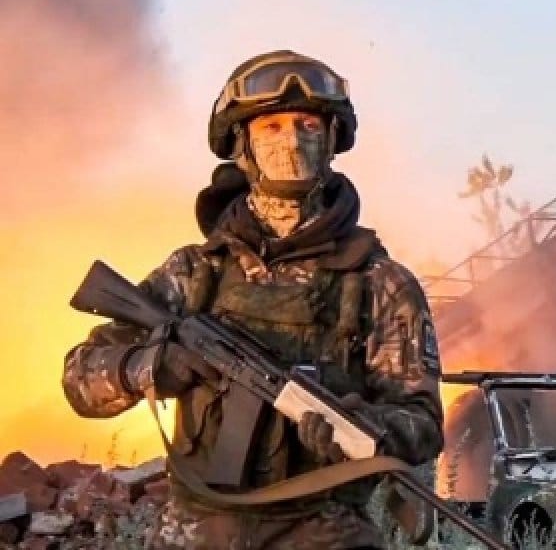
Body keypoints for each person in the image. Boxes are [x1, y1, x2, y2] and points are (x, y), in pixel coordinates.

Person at [61, 50, 444, 549]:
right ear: (242, 144)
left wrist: (365, 427)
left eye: (308, 125)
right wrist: (149, 367)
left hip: (323, 532)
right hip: (195, 533)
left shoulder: (379, 283)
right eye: (272, 127)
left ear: (332, 139)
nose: (292, 141)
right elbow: (79, 379)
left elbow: (423, 423)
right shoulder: (194, 273)